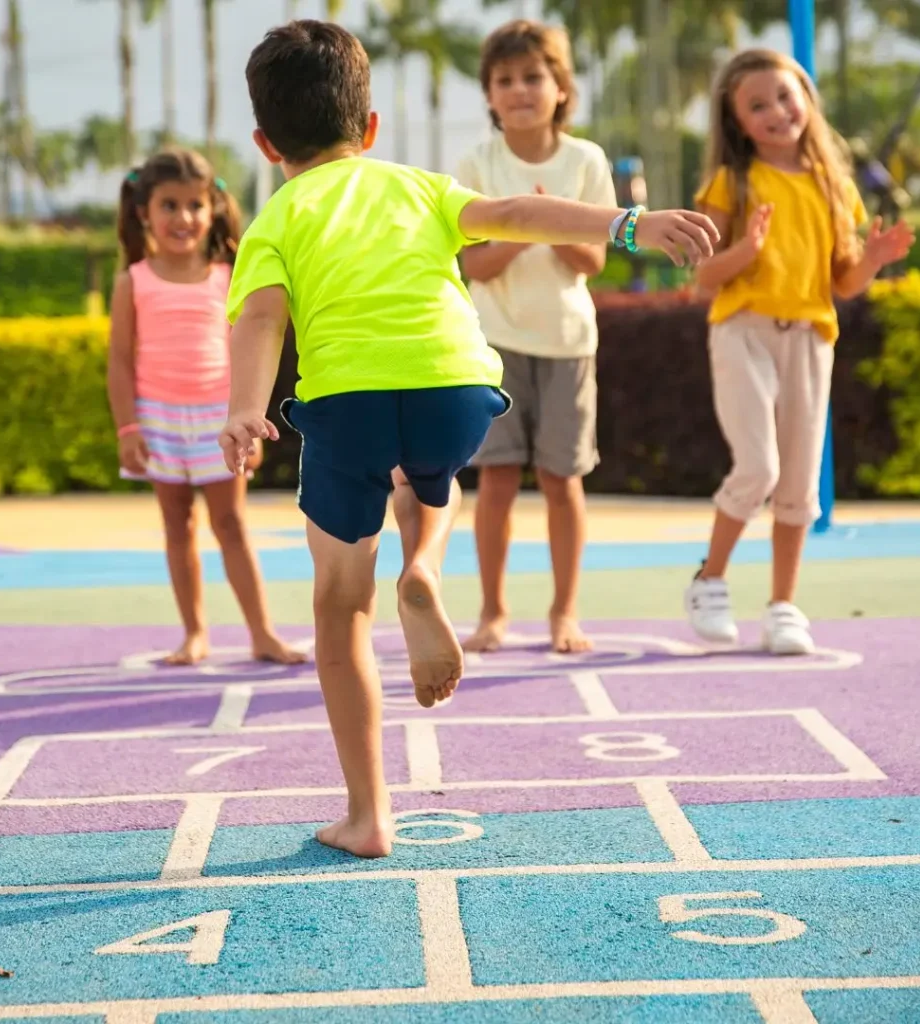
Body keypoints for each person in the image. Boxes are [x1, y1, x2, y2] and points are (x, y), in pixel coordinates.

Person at [219, 20, 717, 858]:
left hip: (347, 399)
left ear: (267, 143)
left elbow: (263, 318)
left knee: (340, 605)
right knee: (433, 478)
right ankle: (424, 567)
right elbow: (519, 213)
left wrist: (243, 407)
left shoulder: (274, 220)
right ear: (370, 129)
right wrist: (630, 225)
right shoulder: (417, 185)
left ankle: (369, 815)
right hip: (455, 384)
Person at [684, 49, 915, 655]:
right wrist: (748, 251)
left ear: (807, 100)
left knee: (799, 481)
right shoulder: (730, 182)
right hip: (743, 331)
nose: (776, 112)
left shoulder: (836, 188)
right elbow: (705, 276)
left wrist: (873, 260)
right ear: (737, 123)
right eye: (757, 105)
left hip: (811, 338)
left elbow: (843, 282)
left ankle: (784, 606)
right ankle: (710, 580)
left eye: (785, 97)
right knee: (757, 467)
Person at [106, 148, 305, 668]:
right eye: (169, 205)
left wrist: (249, 422)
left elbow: (252, 349)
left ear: (213, 208)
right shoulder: (133, 281)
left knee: (232, 524)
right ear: (144, 212)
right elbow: (120, 363)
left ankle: (262, 633)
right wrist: (129, 428)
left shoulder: (229, 274)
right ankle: (194, 634)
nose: (183, 218)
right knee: (177, 525)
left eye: (195, 205)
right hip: (160, 422)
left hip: (221, 420)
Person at [457, 20, 617, 655]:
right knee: (494, 481)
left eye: (533, 77)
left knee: (562, 480)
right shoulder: (477, 163)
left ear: (560, 88)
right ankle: (493, 612)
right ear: (489, 95)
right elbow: (471, 264)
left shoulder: (586, 161)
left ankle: (563, 613)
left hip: (568, 343)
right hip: (492, 345)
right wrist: (518, 223)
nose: (520, 89)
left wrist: (553, 224)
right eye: (505, 80)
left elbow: (593, 261)